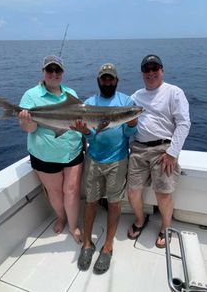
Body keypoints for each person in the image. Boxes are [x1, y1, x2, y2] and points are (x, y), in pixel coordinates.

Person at [71, 63, 137, 274]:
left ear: (117, 80)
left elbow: (129, 135)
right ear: (98, 80)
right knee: (90, 201)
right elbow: (90, 135)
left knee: (114, 202)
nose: (107, 81)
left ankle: (108, 246)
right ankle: (87, 244)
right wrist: (85, 132)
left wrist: (133, 124)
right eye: (104, 78)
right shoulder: (89, 103)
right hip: (94, 158)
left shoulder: (126, 102)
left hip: (118, 160)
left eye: (111, 78)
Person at [127, 54, 191, 248]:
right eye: (147, 69)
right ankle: (140, 220)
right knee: (132, 191)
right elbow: (122, 119)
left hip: (164, 150)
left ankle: (165, 227)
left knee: (163, 193)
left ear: (162, 70)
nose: (151, 73)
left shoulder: (174, 92)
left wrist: (172, 152)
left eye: (155, 68)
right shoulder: (135, 97)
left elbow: (184, 123)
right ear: (142, 73)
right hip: (137, 148)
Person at [18, 55, 84, 243]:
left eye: (58, 70)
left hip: (73, 150)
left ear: (62, 73)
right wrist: (26, 121)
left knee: (71, 190)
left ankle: (72, 226)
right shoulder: (31, 95)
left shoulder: (70, 93)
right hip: (44, 154)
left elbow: (79, 119)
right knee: (54, 192)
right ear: (43, 72)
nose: (54, 74)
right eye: (50, 70)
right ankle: (61, 217)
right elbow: (29, 129)